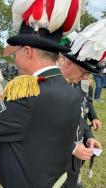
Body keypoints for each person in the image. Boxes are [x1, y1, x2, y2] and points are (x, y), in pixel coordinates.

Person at [0, 1, 84, 187]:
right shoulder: (69, 90)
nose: (14, 58)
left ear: (28, 51)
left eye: (15, 52)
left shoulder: (28, 97)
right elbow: (38, 134)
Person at [58, 19, 106, 187]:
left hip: (74, 163)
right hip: (53, 165)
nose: (86, 78)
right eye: (84, 72)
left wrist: (88, 138)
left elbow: (81, 116)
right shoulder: (48, 87)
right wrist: (71, 148)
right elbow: (40, 130)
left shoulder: (78, 85)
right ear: (67, 61)